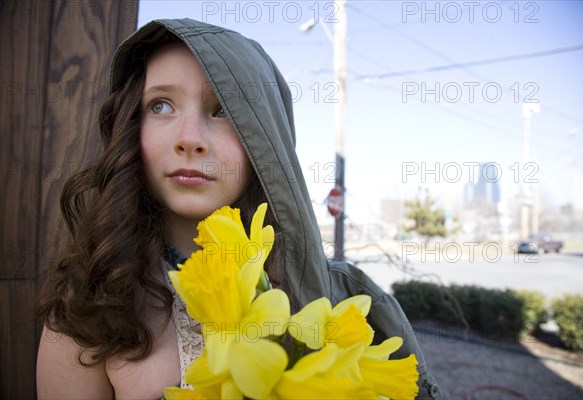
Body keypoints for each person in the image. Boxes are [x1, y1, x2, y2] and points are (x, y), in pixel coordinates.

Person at [36, 18, 441, 399]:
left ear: (265, 140)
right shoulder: (90, 303)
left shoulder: (347, 304)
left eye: (224, 109)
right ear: (132, 129)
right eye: (160, 105)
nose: (189, 139)